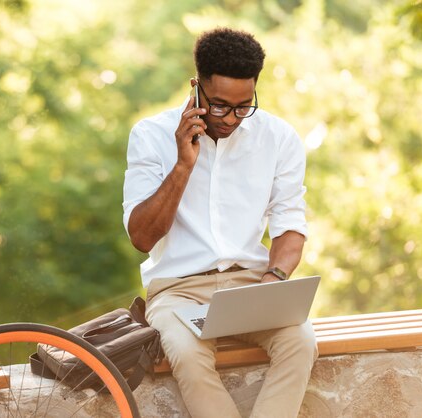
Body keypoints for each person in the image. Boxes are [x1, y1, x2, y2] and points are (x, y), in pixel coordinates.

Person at [122, 28, 318, 417]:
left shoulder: (279, 138)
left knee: (301, 341)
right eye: (219, 106)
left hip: (252, 284)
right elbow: (141, 237)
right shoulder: (150, 135)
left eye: (243, 106)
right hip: (179, 292)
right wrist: (183, 164)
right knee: (188, 355)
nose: (230, 118)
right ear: (197, 88)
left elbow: (290, 225)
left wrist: (272, 282)